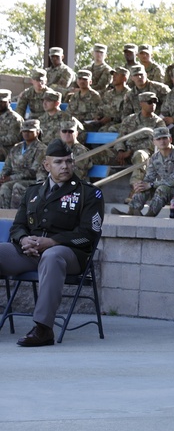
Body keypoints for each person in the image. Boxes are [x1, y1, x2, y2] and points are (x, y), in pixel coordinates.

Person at [0, 139, 104, 347]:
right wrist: (23, 240)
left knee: (52, 255)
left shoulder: (89, 193)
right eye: (58, 162)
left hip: (70, 255)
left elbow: (89, 234)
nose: (64, 166)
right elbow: (18, 226)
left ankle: (43, 329)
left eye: (68, 161)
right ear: (47, 165)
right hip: (31, 252)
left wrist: (52, 242)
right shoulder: (32, 191)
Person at [125, 127, 174, 217]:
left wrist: (151, 185)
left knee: (161, 189)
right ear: (154, 142)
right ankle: (131, 211)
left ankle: (149, 215)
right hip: (165, 188)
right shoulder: (154, 158)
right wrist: (142, 184)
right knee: (143, 187)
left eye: (164, 138)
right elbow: (149, 178)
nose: (162, 141)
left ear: (170, 139)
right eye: (158, 139)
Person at [113, 92, 165, 186]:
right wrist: (120, 150)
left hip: (145, 154)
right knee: (98, 154)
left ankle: (135, 188)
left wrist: (131, 151)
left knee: (140, 155)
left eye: (154, 102)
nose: (153, 104)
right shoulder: (130, 119)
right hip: (125, 153)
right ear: (141, 103)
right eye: (149, 102)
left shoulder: (158, 122)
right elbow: (121, 137)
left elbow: (156, 143)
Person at [0, 120, 45, 209]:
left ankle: (15, 216)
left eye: (30, 131)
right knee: (5, 186)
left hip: (33, 180)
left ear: (38, 132)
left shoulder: (42, 149)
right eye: (24, 131)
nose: (26, 133)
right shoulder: (16, 148)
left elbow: (33, 171)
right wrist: (3, 177)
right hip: (12, 180)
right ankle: (3, 215)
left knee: (16, 186)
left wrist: (11, 178)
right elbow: (7, 166)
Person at [97, 66, 138, 132]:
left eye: (117, 75)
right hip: (103, 122)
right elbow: (100, 108)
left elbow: (130, 114)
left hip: (121, 124)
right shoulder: (108, 94)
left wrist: (111, 118)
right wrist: (97, 118)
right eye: (113, 74)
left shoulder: (130, 94)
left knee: (105, 130)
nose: (114, 77)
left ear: (124, 78)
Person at [0, 89, 25, 162]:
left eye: (2, 102)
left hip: (7, 151)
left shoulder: (15, 118)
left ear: (9, 101)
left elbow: (14, 138)